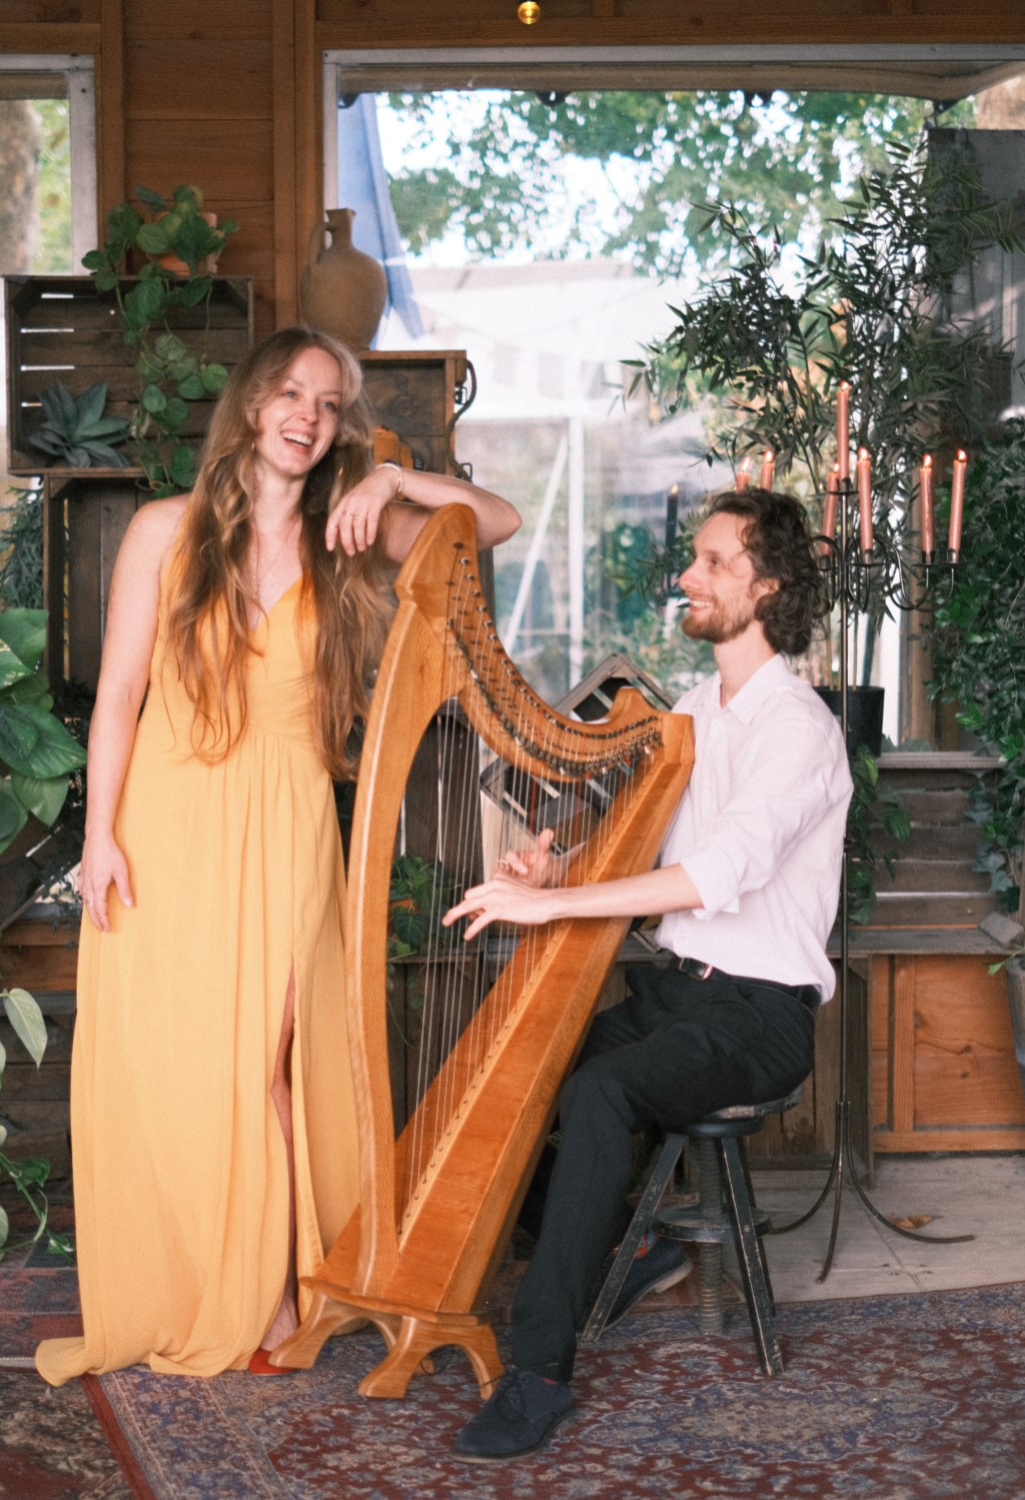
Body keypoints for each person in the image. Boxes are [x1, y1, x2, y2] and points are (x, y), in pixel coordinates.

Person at [35, 327, 519, 1385]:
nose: (307, 414)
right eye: (291, 392)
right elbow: (117, 696)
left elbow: (499, 521)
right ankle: (207, 1287)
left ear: (339, 426)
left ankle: (278, 1290)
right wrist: (100, 836)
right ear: (255, 406)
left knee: (274, 1063)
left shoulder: (357, 529)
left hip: (292, 826)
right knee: (191, 1070)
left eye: (330, 402)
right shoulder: (166, 530)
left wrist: (391, 470)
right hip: (170, 821)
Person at [443, 487, 852, 1461]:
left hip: (758, 1015)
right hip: (679, 995)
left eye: (712, 563)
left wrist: (548, 909)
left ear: (769, 587)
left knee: (598, 1090)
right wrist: (557, 870)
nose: (687, 578)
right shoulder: (693, 710)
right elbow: (653, 847)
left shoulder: (797, 728)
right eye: (695, 561)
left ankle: (538, 1376)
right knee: (511, 1071)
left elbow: (718, 875)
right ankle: (631, 1251)